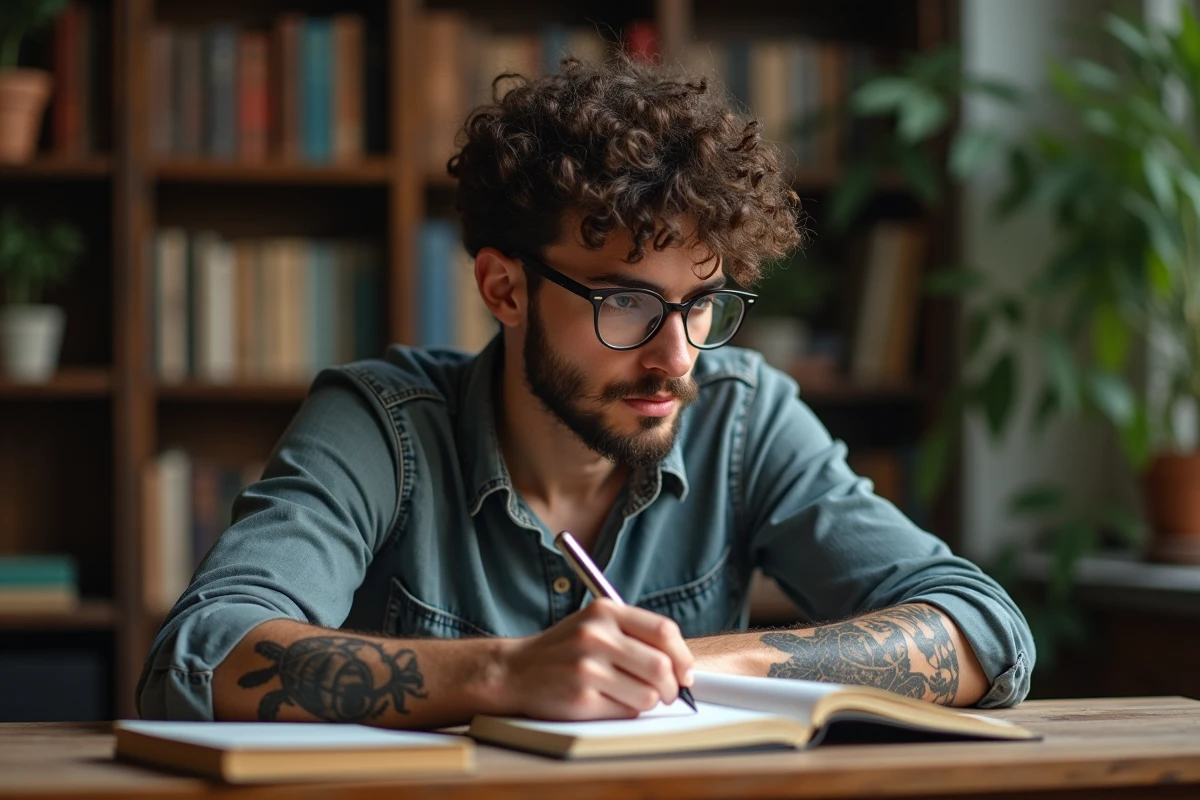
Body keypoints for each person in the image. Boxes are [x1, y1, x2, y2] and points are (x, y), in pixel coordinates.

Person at [138, 55, 1034, 728]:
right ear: (505, 289)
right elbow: (200, 655)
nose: (676, 356)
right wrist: (506, 676)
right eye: (628, 303)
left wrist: (699, 665)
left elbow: (983, 631)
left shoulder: (742, 415)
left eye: (701, 304)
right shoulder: (384, 424)